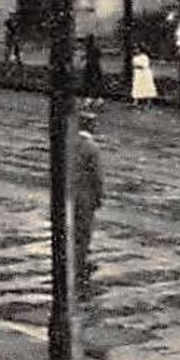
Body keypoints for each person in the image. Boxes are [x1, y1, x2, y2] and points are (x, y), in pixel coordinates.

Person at [74, 112, 104, 288]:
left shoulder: (69, 143)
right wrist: (99, 196)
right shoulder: (92, 148)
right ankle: (80, 263)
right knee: (84, 232)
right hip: (85, 197)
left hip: (69, 194)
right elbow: (97, 176)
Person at [79, 35, 105, 110]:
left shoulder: (89, 49)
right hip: (95, 67)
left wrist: (85, 59)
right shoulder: (94, 49)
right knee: (95, 83)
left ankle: (90, 100)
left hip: (91, 68)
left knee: (90, 83)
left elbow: (87, 57)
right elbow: (99, 55)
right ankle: (97, 100)